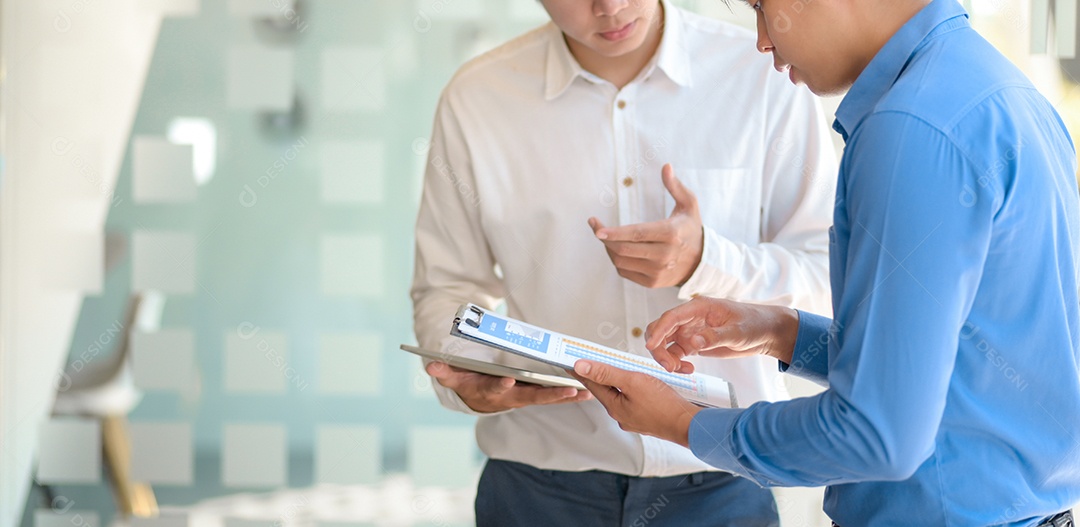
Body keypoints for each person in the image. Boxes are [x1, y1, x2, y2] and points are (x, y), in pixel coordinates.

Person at [570, 0, 1080, 525]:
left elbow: (876, 436)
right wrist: (780, 331)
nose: (764, 40)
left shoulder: (910, 126)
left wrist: (684, 424)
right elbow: (963, 370)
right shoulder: (993, 86)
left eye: (761, 8)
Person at [410, 0, 837, 524]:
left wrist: (707, 260)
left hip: (721, 481)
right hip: (535, 487)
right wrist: (467, 378)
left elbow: (831, 280)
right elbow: (446, 288)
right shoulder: (477, 98)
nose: (609, 7)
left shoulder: (763, 73)